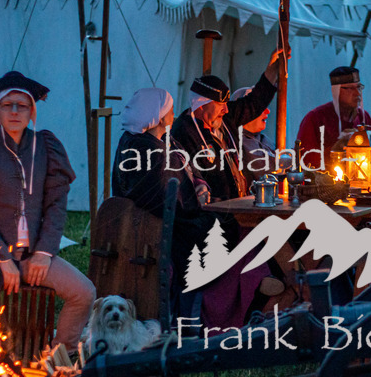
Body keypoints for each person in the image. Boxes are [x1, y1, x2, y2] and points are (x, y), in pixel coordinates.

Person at [0, 71, 95, 349]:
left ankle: (57, 358)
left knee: (84, 293)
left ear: (32, 111)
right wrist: (2, 258)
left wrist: (42, 253)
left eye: (22, 105)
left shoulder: (47, 147)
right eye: (8, 105)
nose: (15, 111)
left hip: (32, 254)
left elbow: (56, 206)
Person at [111, 88, 214, 306]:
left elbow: (187, 167)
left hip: (175, 220)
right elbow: (158, 200)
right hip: (159, 231)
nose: (174, 116)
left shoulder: (161, 140)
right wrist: (193, 214)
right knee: (218, 232)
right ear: (158, 116)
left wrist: (198, 184)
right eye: (170, 111)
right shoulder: (145, 149)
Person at [171, 49, 285, 202]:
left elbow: (254, 102)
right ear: (201, 105)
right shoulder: (184, 132)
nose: (225, 110)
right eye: (220, 104)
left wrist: (273, 70)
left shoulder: (224, 119)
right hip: (213, 211)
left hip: (235, 204)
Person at [295, 66, 371, 170]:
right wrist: (337, 148)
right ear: (337, 91)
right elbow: (306, 161)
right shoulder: (315, 119)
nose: (357, 93)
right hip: (325, 185)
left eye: (359, 87)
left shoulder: (364, 118)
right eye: (350, 88)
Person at [228, 86, 279, 184]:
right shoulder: (236, 143)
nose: (268, 111)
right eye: (261, 108)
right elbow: (261, 171)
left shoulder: (263, 139)